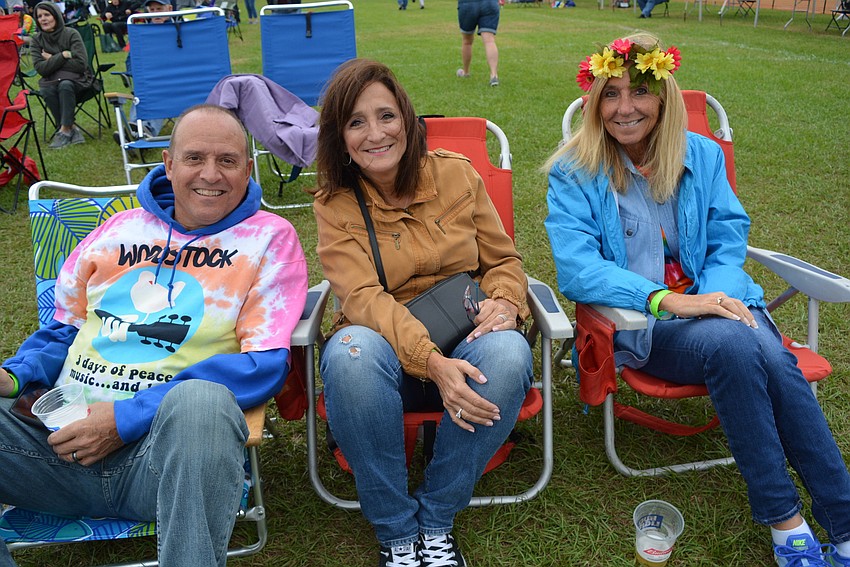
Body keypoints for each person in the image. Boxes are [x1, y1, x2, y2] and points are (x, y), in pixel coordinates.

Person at [544, 32, 850, 567]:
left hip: (721, 305)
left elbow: (729, 238)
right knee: (747, 348)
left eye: (639, 92)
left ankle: (815, 527)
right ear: (594, 102)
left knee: (763, 354)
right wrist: (672, 301)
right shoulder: (576, 171)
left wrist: (714, 296)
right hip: (646, 322)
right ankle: (795, 520)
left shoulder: (702, 155)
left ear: (662, 97)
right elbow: (577, 267)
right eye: (610, 94)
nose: (625, 108)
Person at [0, 104, 308, 567]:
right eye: (194, 158)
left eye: (227, 161)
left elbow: (262, 365)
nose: (210, 174)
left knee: (202, 401)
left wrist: (122, 421)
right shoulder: (119, 230)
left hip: (164, 463)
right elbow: (64, 326)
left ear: (248, 170)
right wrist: (15, 376)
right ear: (167, 163)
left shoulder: (269, 240)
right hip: (54, 446)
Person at [313, 58, 532, 567]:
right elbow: (363, 298)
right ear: (339, 137)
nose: (375, 134)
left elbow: (503, 259)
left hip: (466, 332)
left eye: (386, 115)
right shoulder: (336, 202)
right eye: (356, 122)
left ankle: (435, 520)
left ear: (408, 120)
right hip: (386, 349)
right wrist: (433, 362)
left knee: (507, 352)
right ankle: (395, 530)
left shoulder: (457, 173)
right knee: (349, 352)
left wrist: (504, 299)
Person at [30, 1, 92, 149]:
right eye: (39, 16)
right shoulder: (36, 40)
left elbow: (81, 64)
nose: (43, 19)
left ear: (56, 16)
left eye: (47, 15)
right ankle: (72, 129)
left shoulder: (71, 34)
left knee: (65, 84)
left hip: (78, 80)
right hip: (50, 81)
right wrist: (63, 55)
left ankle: (63, 131)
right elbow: (41, 69)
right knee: (46, 89)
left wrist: (52, 59)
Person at [456, 0, 500, 86]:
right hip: (489, 3)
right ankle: (494, 76)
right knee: (489, 40)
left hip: (468, 4)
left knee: (467, 41)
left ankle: (466, 72)